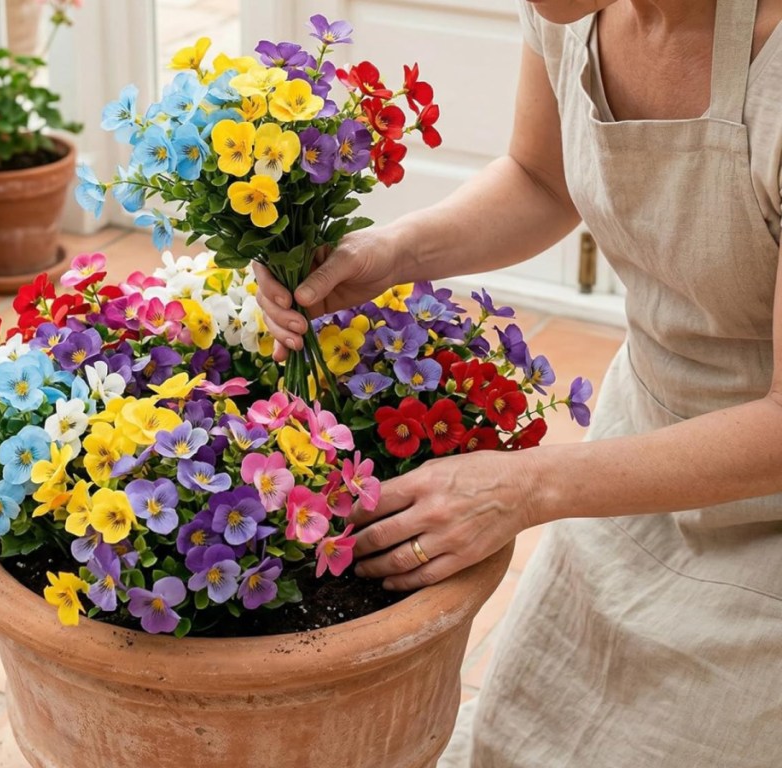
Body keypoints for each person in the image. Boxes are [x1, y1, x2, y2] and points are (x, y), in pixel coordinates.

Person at [254, 0, 782, 763]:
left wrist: (527, 487)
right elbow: (540, 179)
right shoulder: (569, 10)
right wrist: (392, 253)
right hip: (640, 457)